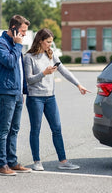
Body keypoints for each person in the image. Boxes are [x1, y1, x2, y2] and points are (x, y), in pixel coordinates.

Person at [24, 28, 90, 171]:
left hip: (50, 98)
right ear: (40, 41)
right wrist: (44, 73)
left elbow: (63, 70)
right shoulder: (28, 57)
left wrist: (78, 84)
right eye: (48, 42)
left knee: (57, 129)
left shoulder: (51, 55)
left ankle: (63, 161)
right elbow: (29, 80)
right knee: (35, 130)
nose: (50, 45)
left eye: (51, 42)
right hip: (35, 98)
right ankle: (37, 162)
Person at [0, 15, 32, 176]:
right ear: (14, 28)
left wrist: (22, 91)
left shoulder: (15, 44)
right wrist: (17, 46)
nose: (24, 35)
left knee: (14, 129)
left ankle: (12, 162)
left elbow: (19, 70)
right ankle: (2, 165)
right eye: (23, 31)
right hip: (5, 92)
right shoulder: (0, 43)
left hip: (16, 92)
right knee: (4, 129)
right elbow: (9, 62)